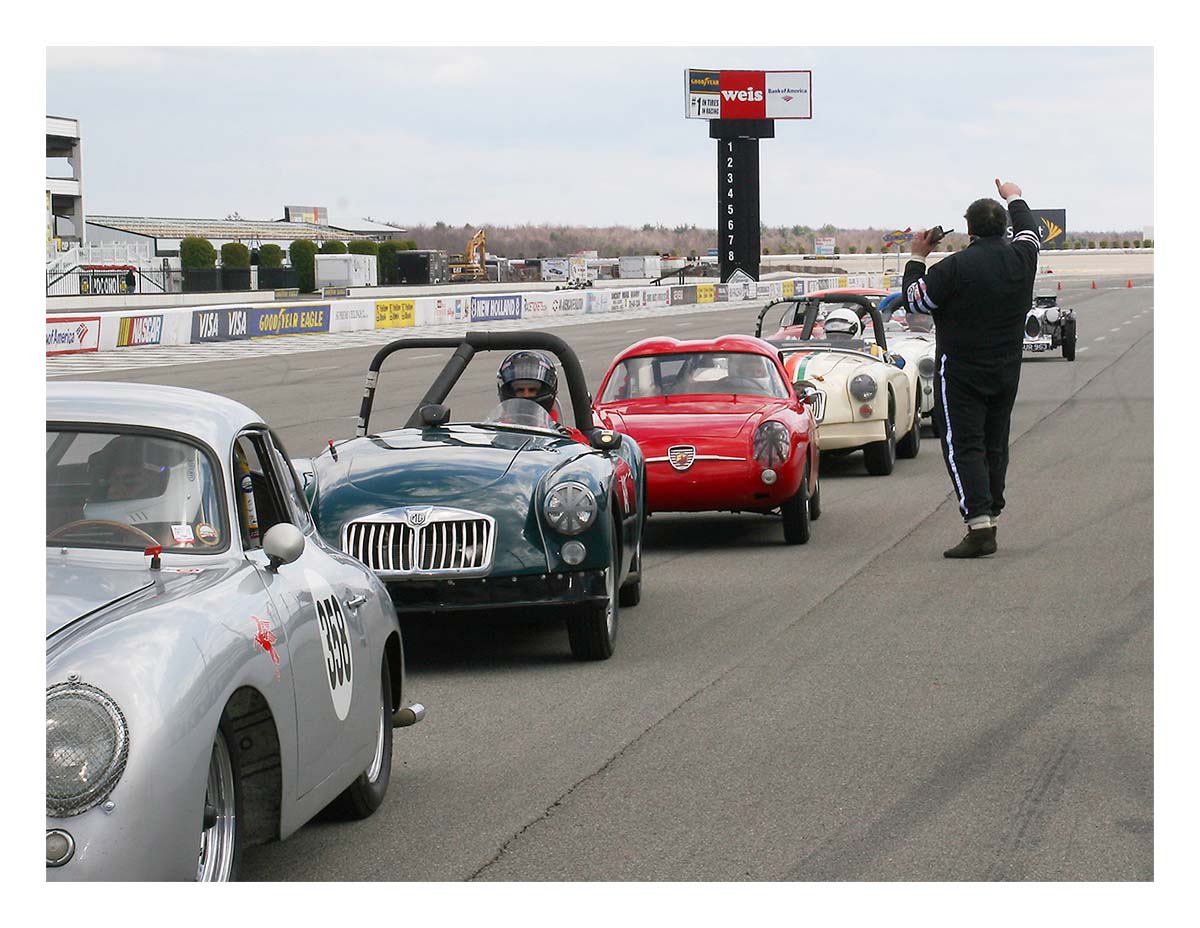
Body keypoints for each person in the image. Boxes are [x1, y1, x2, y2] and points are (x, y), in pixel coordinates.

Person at [903, 178, 1040, 558]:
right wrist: (1014, 195)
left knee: (964, 444)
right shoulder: (1023, 256)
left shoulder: (954, 267)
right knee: (995, 442)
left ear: (969, 230)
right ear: (1004, 227)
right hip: (1007, 368)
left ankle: (980, 525)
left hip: (960, 371)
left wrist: (917, 255)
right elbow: (1030, 229)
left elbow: (915, 303)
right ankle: (990, 508)